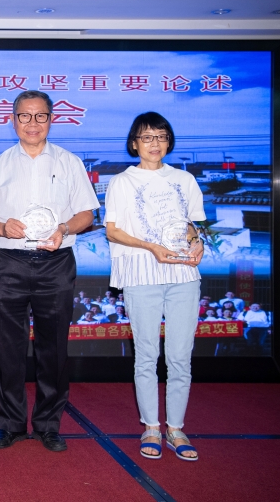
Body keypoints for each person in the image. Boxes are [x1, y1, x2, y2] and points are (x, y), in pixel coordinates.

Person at [0, 90, 99, 452]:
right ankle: (11, 425)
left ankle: (48, 425)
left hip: (56, 264)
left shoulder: (69, 162)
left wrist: (64, 227)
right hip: (9, 264)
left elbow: (87, 214)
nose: (32, 123)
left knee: (53, 349)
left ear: (51, 119)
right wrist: (2, 227)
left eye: (40, 116)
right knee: (7, 349)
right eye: (25, 116)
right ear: (13, 120)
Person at [104, 111, 205, 462]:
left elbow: (194, 225)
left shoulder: (184, 179)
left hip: (183, 275)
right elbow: (113, 231)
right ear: (135, 143)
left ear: (169, 142)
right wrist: (151, 247)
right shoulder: (122, 182)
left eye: (161, 136)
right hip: (141, 273)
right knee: (147, 355)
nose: (154, 143)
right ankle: (150, 426)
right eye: (147, 137)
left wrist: (197, 242)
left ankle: (176, 428)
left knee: (180, 356)